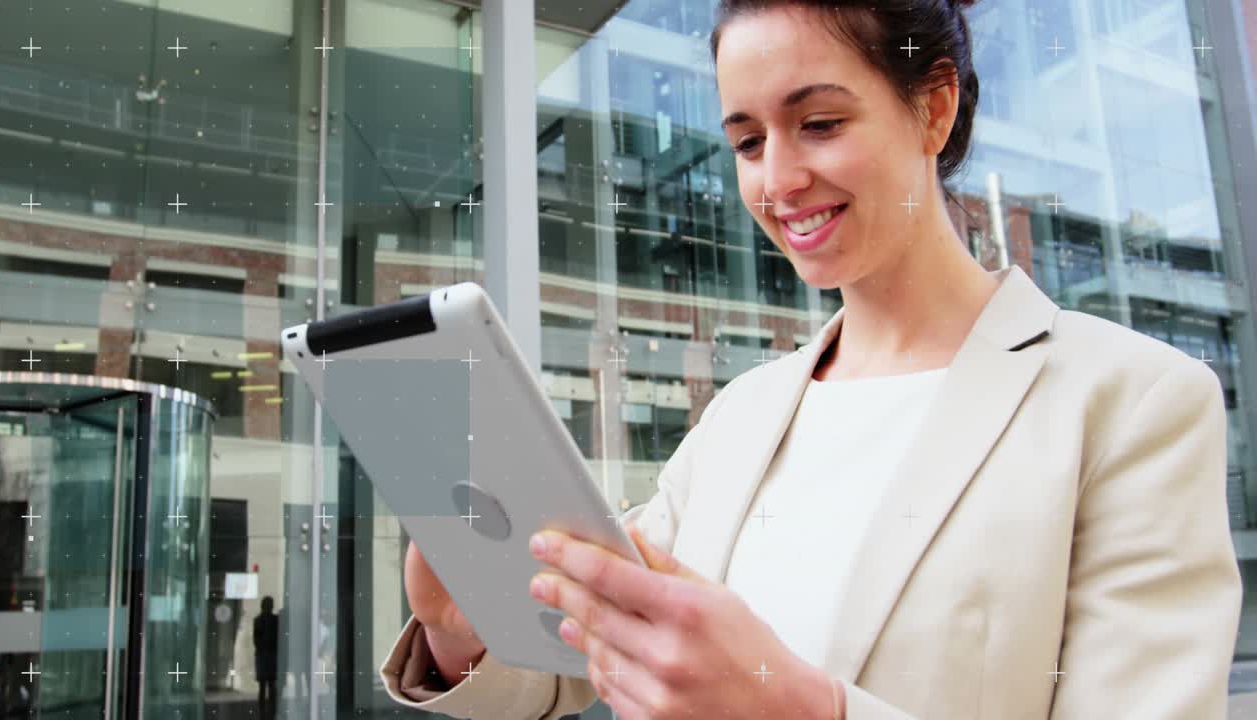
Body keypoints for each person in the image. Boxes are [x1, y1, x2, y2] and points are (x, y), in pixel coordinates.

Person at [379, 1, 1242, 718]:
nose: (778, 179)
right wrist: (465, 629)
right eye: (749, 142)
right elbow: (595, 646)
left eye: (818, 124)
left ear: (933, 108)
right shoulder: (741, 416)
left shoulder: (1132, 402)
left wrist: (804, 709)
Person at [253, 596, 279, 720]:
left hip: (267, 655)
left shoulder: (269, 620)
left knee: (269, 685)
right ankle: (266, 711)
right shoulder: (261, 620)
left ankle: (268, 710)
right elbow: (257, 639)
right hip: (265, 655)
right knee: (266, 685)